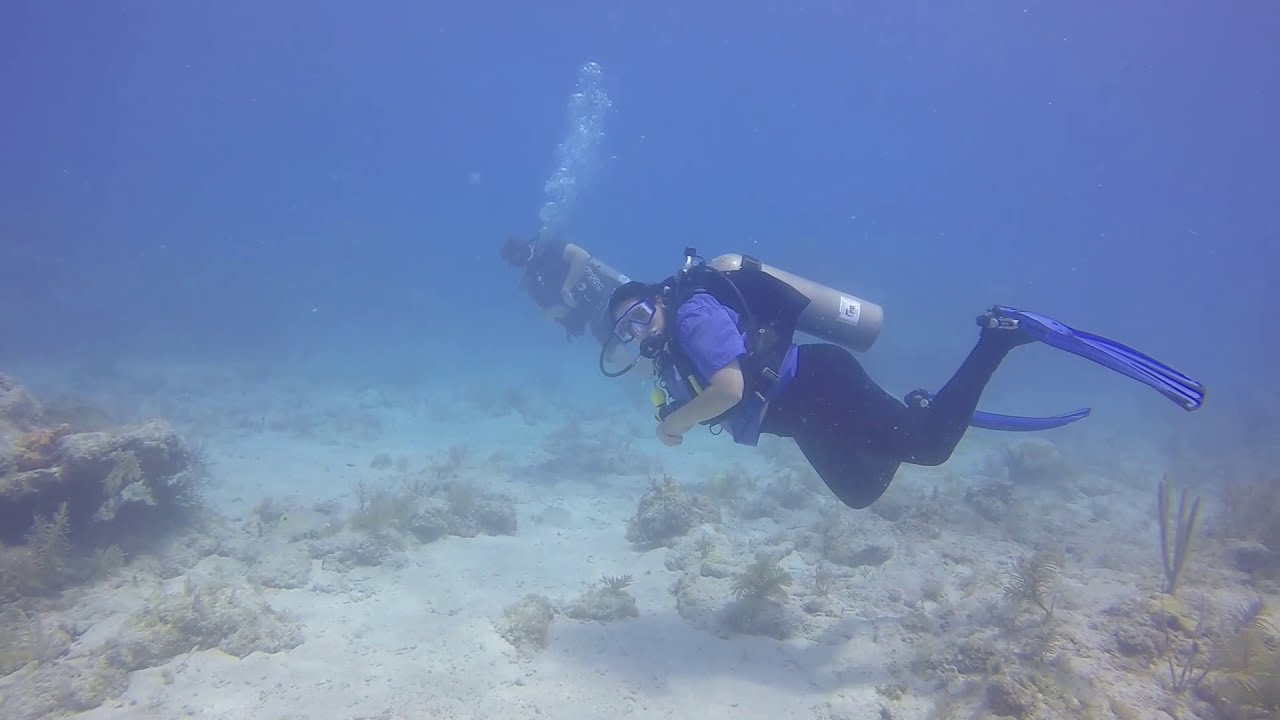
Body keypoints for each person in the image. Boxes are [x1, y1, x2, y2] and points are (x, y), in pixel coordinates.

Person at [600, 248, 1206, 510]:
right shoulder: (673, 341)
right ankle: (919, 407)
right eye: (625, 330)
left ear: (659, 299)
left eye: (638, 314)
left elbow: (729, 390)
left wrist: (673, 426)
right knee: (860, 491)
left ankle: (998, 336)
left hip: (818, 388)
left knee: (930, 448)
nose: (636, 330)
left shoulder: (691, 313)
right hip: (799, 415)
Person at [500, 235, 629, 344]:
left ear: (527, 245)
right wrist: (560, 310)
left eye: (522, 253)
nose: (523, 258)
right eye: (517, 260)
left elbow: (582, 256)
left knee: (634, 320)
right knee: (611, 355)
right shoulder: (531, 282)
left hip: (606, 292)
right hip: (592, 314)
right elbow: (547, 312)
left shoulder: (551, 247)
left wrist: (566, 288)